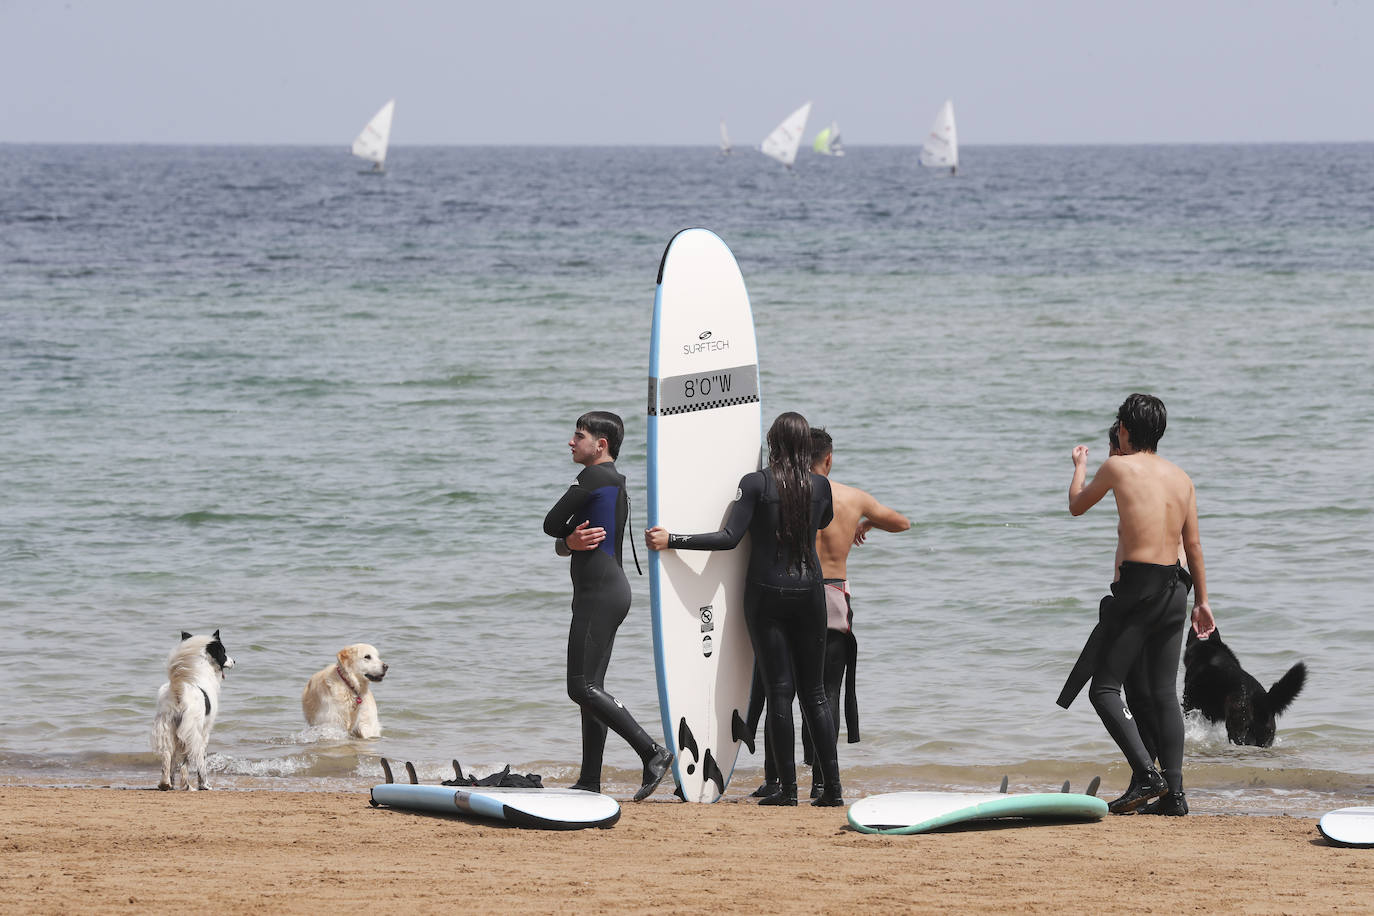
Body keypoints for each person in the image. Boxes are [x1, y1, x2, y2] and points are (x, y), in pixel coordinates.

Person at [645, 411, 843, 806]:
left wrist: (673, 540)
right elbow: (823, 521)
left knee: (780, 692)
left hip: (766, 593)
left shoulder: (755, 484)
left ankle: (787, 791)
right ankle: (832, 790)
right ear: (806, 447)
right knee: (816, 694)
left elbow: (728, 537)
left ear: (771, 443)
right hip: (810, 591)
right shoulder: (820, 486)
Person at [1058, 394, 1215, 817]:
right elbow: (1194, 545)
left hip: (1140, 586)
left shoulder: (1117, 465)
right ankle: (1175, 796)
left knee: (1105, 689)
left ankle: (1147, 774)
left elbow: (1076, 506)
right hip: (1177, 588)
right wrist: (1202, 600)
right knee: (1164, 693)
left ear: (1125, 429)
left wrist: (1079, 468)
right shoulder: (1182, 477)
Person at [751, 427, 911, 800]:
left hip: (786, 589)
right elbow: (902, 522)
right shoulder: (852, 498)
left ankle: (776, 779)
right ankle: (822, 781)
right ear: (829, 458)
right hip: (832, 596)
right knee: (826, 692)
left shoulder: (783, 493)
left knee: (779, 690)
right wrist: (867, 522)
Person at [543, 410, 672, 801]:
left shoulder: (593, 476)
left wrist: (564, 540)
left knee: (580, 687)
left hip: (600, 593)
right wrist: (570, 543)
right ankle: (589, 780)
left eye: (578, 436)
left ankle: (651, 752)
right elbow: (563, 540)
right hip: (607, 590)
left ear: (601, 445)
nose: (571, 441)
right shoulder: (612, 480)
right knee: (590, 688)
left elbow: (550, 523)